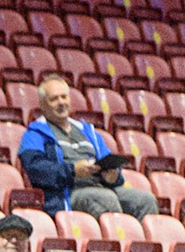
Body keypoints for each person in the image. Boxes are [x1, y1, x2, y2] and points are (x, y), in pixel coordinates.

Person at [18, 75, 157, 220]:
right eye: (54, 99)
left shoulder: (88, 131)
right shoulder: (35, 133)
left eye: (64, 97)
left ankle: (135, 242)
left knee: (145, 200)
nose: (61, 102)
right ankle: (113, 242)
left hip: (100, 186)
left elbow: (108, 161)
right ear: (43, 104)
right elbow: (36, 169)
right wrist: (73, 171)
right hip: (68, 192)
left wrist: (113, 177)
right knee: (104, 198)